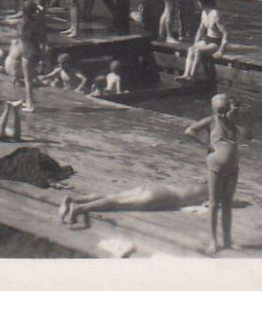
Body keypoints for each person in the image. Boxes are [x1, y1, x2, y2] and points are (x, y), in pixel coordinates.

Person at [184, 93, 240, 254]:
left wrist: (237, 118)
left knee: (228, 203)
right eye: (219, 111)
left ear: (229, 109)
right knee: (215, 203)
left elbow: (249, 135)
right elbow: (189, 131)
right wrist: (207, 144)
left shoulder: (233, 121)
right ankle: (213, 240)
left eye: (224, 111)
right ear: (214, 110)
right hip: (215, 166)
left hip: (233, 167)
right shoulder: (210, 121)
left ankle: (228, 240)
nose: (222, 115)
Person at [60, 180, 211, 228]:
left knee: (113, 196)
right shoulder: (214, 191)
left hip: (157, 188)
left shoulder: (203, 182)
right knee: (115, 203)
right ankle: (79, 209)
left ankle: (73, 200)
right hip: (162, 197)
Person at [179, 0, 228, 81]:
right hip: (207, 39)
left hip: (216, 42)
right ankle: (186, 74)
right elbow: (201, 29)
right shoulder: (204, 13)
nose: (197, 5)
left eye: (198, 3)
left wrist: (221, 50)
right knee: (191, 49)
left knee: (198, 51)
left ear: (203, 3)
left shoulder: (215, 15)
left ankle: (193, 75)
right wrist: (195, 43)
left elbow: (225, 33)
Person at [15, 0, 46, 112]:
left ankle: (31, 105)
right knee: (30, 79)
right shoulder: (37, 21)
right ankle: (28, 101)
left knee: (28, 80)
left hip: (27, 52)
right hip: (36, 50)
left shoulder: (23, 23)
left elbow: (20, 35)